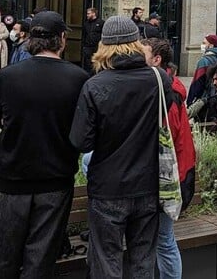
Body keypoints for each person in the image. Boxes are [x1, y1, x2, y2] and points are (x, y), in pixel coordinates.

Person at [0, 11, 90, 279]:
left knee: (2, 257)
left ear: (31, 40)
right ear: (62, 39)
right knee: (41, 261)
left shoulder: (8, 76)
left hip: (12, 177)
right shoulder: (78, 78)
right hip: (55, 179)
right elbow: (82, 129)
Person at [69, 16, 170, 278]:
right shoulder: (158, 79)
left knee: (106, 261)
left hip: (108, 187)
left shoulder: (95, 85)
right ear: (136, 43)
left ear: (104, 46)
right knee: (143, 261)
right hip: (149, 184)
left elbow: (81, 141)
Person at [145, 39, 195, 279]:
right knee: (163, 239)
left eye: (141, 54)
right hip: (177, 172)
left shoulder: (167, 93)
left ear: (156, 60)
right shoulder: (169, 88)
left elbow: (167, 136)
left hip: (168, 177)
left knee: (164, 240)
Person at [187, 34, 217, 106]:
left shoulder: (204, 61)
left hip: (205, 98)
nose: (202, 45)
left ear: (211, 45)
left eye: (204, 43)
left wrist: (190, 101)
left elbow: (198, 81)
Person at [81, 7, 104, 73]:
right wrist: (84, 46)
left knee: (97, 63)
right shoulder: (86, 24)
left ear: (93, 14)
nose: (87, 15)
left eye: (88, 13)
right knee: (88, 64)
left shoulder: (101, 23)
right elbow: (84, 35)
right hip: (88, 47)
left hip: (97, 47)